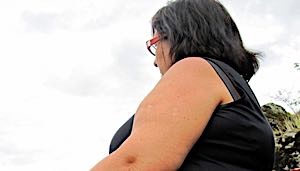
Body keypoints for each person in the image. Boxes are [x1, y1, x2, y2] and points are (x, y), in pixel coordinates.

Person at [91, 0, 275, 170]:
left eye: (154, 44)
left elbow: (135, 162)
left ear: (178, 35)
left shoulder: (195, 68)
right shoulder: (234, 87)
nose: (155, 61)